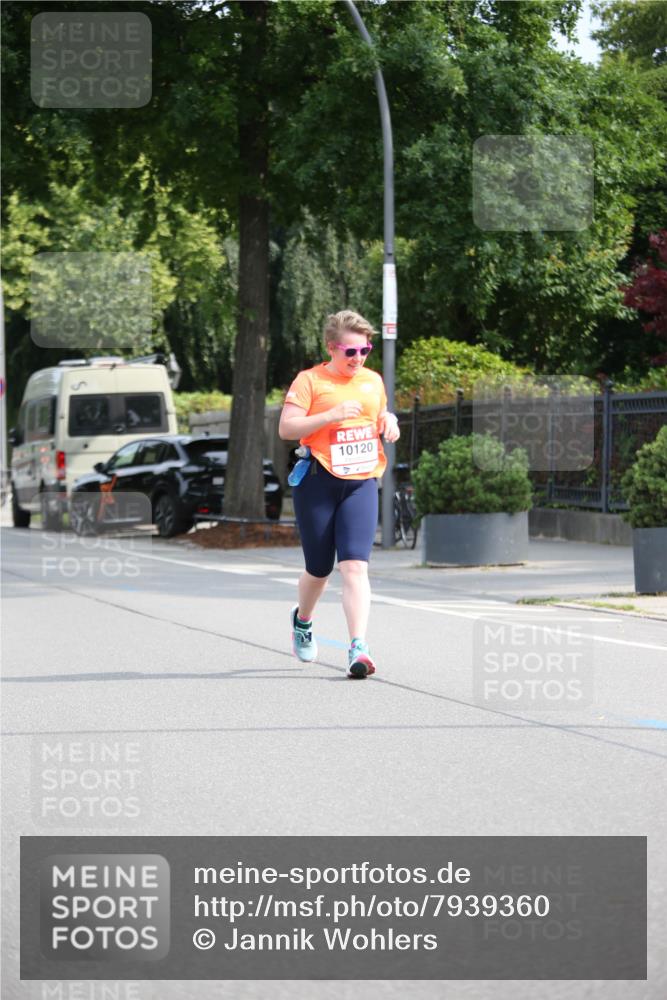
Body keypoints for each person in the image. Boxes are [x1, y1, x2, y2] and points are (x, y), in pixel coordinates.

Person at [278, 309, 400, 679]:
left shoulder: (372, 381)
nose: (358, 359)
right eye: (351, 352)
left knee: (355, 567)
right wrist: (330, 415)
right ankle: (303, 619)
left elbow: (381, 413)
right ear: (332, 348)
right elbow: (287, 428)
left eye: (365, 350)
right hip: (318, 480)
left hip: (361, 481)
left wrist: (390, 420)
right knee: (319, 568)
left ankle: (358, 648)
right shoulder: (310, 381)